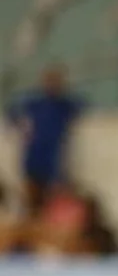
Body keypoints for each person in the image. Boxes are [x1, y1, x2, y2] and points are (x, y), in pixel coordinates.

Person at [5, 65, 85, 214]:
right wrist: (20, 128)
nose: (52, 85)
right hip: (34, 154)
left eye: (56, 81)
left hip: (53, 158)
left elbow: (83, 106)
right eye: (49, 81)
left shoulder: (64, 105)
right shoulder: (36, 103)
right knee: (31, 196)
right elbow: (12, 110)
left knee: (51, 198)